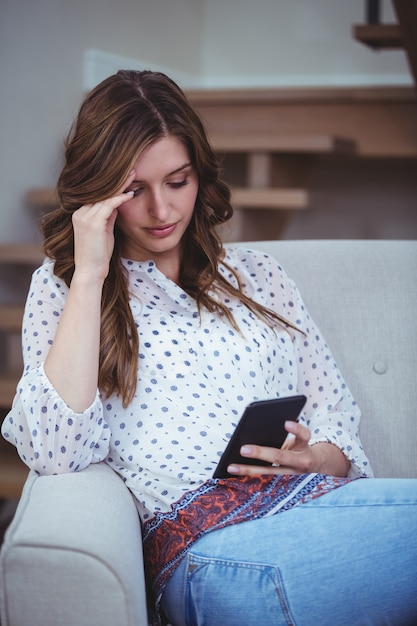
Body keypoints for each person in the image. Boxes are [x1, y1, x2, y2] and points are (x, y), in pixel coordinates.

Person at [2, 70, 416, 626]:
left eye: (178, 181)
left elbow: (335, 413)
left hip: (316, 511)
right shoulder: (69, 289)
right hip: (213, 556)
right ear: (99, 193)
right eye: (133, 190)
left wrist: (314, 457)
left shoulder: (260, 278)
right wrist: (91, 272)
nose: (161, 211)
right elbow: (56, 451)